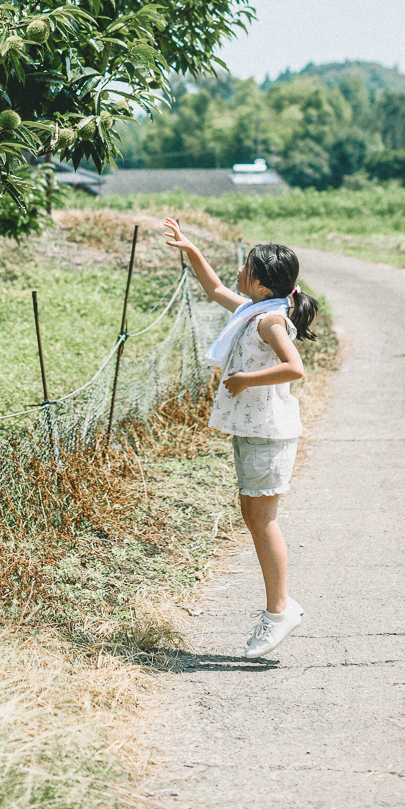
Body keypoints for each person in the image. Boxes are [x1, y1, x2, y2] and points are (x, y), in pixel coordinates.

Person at [164, 219, 319, 659]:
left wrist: (246, 379)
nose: (238, 271)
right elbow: (214, 289)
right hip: (255, 432)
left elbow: (295, 368)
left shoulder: (269, 320)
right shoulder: (251, 310)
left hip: (269, 433)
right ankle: (281, 605)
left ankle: (279, 611)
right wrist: (191, 250)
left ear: (262, 280)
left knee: (262, 520)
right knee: (254, 516)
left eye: (245, 266)